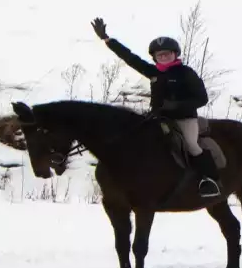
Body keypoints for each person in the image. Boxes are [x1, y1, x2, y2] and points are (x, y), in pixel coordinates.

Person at [90, 17, 222, 198]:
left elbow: (202, 98)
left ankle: (208, 179)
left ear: (175, 54)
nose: (164, 57)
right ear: (155, 58)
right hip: (158, 117)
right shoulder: (153, 72)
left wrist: (176, 105)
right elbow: (130, 58)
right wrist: (107, 39)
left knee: (191, 145)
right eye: (160, 55)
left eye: (167, 54)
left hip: (185, 118)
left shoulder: (186, 73)